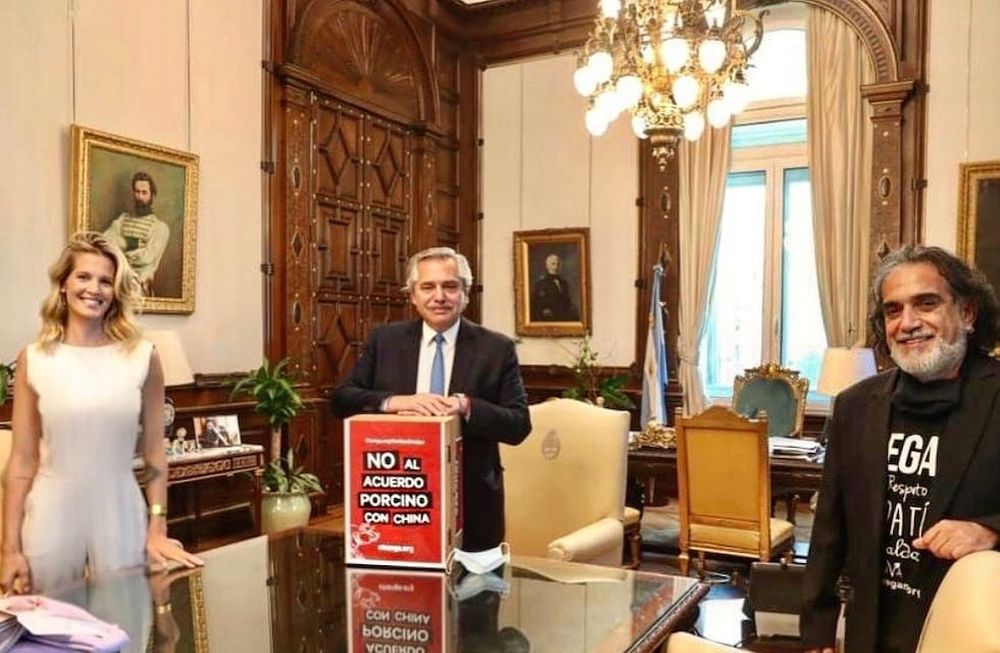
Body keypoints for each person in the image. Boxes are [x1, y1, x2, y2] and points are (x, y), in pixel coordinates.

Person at [802, 245, 1000, 653]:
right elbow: (828, 532)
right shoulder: (856, 405)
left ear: (967, 313)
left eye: (926, 304)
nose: (908, 323)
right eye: (893, 310)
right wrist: (816, 633)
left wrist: (990, 532)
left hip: (973, 634)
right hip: (872, 631)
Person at [1, 232, 202, 595]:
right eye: (84, 277)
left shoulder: (143, 356)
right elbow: (20, 463)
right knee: (53, 636)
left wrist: (157, 528)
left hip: (121, 513)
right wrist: (10, 550)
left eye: (106, 281)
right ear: (63, 284)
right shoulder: (34, 359)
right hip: (50, 517)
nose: (94, 288)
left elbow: (156, 453)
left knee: (123, 631)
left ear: (116, 291)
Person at [331, 246, 532, 552]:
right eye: (428, 286)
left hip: (471, 502)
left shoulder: (496, 349)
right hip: (396, 502)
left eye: (450, 286)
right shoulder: (385, 341)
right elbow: (342, 400)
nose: (439, 296)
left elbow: (519, 425)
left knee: (475, 595)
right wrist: (395, 401)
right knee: (397, 592)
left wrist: (465, 406)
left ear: (464, 293)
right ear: (412, 295)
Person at [103, 171, 170, 295]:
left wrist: (120, 251)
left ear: (152, 196)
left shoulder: (160, 228)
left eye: (144, 193)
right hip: (116, 279)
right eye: (137, 192)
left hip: (139, 285)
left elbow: (146, 257)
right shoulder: (122, 219)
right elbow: (105, 241)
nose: (139, 197)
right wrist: (131, 243)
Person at [530, 253, 579, 322]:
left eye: (558, 264)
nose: (556, 267)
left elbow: (567, 301)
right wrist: (544, 310)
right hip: (548, 319)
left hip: (564, 317)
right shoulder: (541, 284)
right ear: (547, 266)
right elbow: (536, 303)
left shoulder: (564, 283)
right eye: (553, 264)